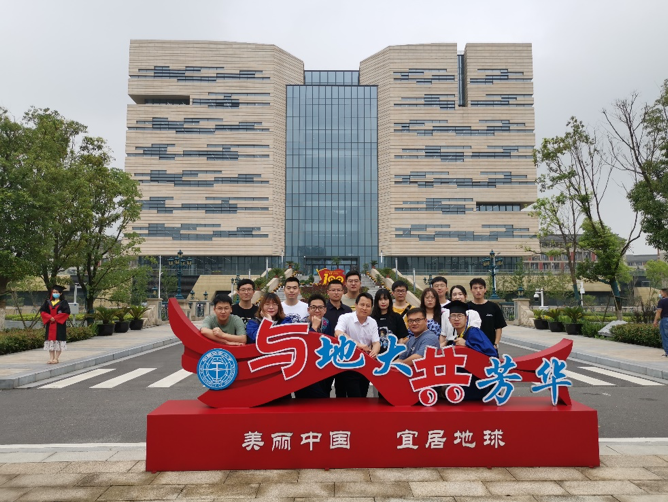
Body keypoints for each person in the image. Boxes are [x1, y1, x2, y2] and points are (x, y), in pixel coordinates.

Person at [447, 300, 498, 401]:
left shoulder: (473, 332)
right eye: (453, 316)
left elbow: (491, 353)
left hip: (476, 383)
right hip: (464, 381)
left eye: (460, 316)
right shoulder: (459, 336)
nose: (456, 319)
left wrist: (467, 344)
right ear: (449, 320)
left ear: (466, 318)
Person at [334, 292, 380, 397]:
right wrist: (358, 345)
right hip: (347, 363)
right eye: (362, 305)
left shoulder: (372, 322)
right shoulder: (345, 318)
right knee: (353, 396)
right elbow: (338, 333)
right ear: (356, 305)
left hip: (364, 364)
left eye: (368, 306)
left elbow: (376, 342)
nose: (364, 308)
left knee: (363, 395)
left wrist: (374, 352)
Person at [294, 294, 331, 399]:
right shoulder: (301, 323)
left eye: (320, 307)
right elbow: (304, 343)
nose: (317, 310)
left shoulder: (326, 323)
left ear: (325, 310)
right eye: (314, 307)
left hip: (322, 366)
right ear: (308, 309)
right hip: (304, 368)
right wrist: (314, 327)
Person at [321, 279, 352, 396]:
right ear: (328, 292)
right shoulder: (323, 310)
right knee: (325, 388)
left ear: (343, 292)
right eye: (333, 290)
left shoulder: (348, 310)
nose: (336, 293)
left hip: (343, 354)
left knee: (342, 389)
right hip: (326, 353)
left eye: (339, 290)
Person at [467, 278, 507, 351]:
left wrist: (496, 344)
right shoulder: (467, 307)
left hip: (490, 347)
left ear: (485, 290)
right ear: (471, 290)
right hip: (471, 347)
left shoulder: (493, 306)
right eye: (475, 288)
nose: (478, 290)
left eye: (480, 288)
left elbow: (498, 327)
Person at [39, 285, 70, 364]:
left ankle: (56, 358)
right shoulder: (48, 302)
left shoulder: (63, 302)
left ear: (60, 293)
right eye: (54, 292)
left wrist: (55, 318)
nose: (55, 294)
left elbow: (66, 312)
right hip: (50, 324)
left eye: (56, 292)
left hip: (59, 325)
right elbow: (42, 311)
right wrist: (49, 317)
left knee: (59, 341)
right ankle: (51, 358)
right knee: (51, 342)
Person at [653, 288, 668, 357]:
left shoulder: (662, 301)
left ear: (665, 293)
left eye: (661, 292)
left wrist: (655, 320)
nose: (660, 294)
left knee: (665, 336)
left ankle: (667, 352)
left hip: (665, 320)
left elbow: (659, 312)